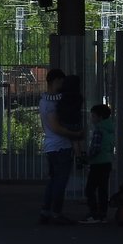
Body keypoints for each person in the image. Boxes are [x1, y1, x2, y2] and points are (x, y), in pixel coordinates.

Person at [39, 68, 85, 224]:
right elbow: (56, 127)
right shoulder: (51, 105)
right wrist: (76, 135)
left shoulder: (45, 100)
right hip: (60, 147)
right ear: (55, 81)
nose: (63, 84)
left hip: (51, 147)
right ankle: (56, 213)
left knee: (53, 181)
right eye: (61, 81)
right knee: (60, 181)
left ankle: (46, 211)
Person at [80, 103, 114, 223]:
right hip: (107, 162)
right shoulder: (111, 128)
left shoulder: (99, 130)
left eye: (93, 116)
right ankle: (102, 214)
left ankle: (94, 214)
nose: (91, 118)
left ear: (100, 117)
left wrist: (86, 158)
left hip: (97, 163)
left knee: (90, 189)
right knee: (103, 190)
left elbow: (95, 149)